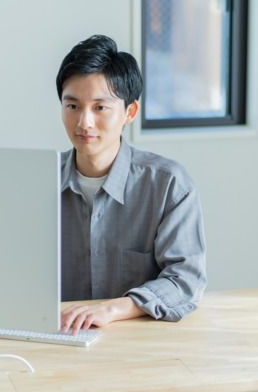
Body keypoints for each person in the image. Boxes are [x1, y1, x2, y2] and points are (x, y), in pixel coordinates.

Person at [57, 35, 207, 335]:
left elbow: (186, 280)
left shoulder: (168, 184)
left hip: (140, 340)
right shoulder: (37, 181)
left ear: (130, 112)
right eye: (72, 105)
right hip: (57, 336)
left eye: (100, 108)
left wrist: (113, 309)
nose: (84, 122)